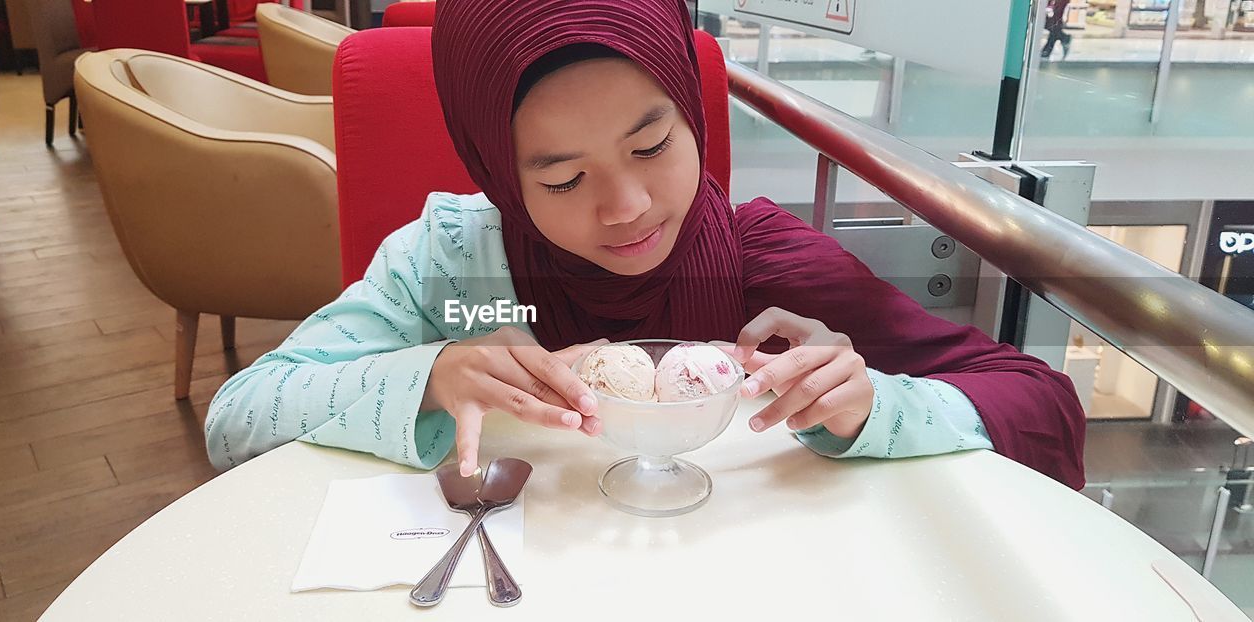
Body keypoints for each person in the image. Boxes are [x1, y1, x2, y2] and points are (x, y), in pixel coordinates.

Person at [204, 0, 1086, 489]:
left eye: (652, 144)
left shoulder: (763, 266)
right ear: (500, 172)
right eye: (560, 180)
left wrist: (870, 408)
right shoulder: (453, 267)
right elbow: (239, 419)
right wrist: (432, 369)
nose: (626, 209)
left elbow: (1039, 403)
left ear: (690, 109)